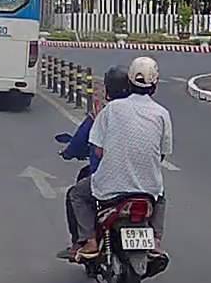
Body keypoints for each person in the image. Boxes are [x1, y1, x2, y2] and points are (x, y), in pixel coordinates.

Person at [67, 56, 172, 261]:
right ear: (156, 83)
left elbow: (97, 150)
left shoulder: (110, 110)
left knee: (77, 194)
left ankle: (89, 241)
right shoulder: (162, 114)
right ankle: (156, 241)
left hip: (110, 187)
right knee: (160, 195)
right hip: (148, 188)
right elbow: (162, 153)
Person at [56, 65, 132, 259]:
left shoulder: (102, 113)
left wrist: (69, 152)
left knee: (76, 195)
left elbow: (87, 143)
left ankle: (85, 241)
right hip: (141, 182)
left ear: (108, 89)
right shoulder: (149, 113)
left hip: (109, 180)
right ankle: (156, 242)